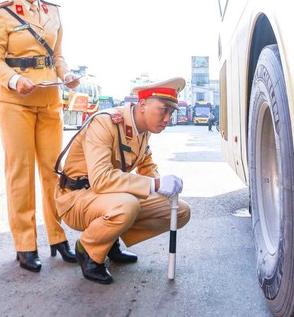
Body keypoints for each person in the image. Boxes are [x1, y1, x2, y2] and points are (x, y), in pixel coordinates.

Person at [0, 0, 80, 273]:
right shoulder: (1, 14)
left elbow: (57, 56)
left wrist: (67, 76)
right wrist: (13, 81)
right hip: (15, 102)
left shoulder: (53, 12)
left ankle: (57, 236)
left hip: (49, 99)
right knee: (20, 172)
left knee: (53, 172)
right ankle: (25, 245)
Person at [54, 78, 192, 284]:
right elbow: (101, 179)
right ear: (143, 105)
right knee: (127, 205)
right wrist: (155, 185)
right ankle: (89, 249)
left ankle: (108, 240)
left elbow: (147, 167)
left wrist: (163, 185)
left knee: (180, 210)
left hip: (107, 198)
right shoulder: (105, 122)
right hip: (77, 198)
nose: (167, 118)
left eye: (171, 113)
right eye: (163, 110)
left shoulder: (143, 131)